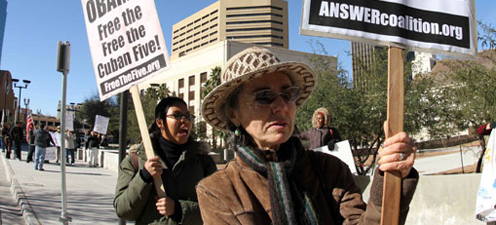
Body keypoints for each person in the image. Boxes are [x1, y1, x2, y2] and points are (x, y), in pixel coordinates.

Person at [197, 46, 418, 224]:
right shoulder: (218, 191)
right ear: (233, 113)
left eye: (288, 94)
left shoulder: (329, 169)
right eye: (264, 96)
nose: (281, 105)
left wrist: (391, 176)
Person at [114, 96, 217, 225]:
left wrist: (179, 209)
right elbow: (123, 211)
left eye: (187, 116)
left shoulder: (203, 162)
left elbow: (218, 208)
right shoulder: (135, 161)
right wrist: (144, 177)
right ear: (160, 122)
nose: (184, 121)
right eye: (177, 115)